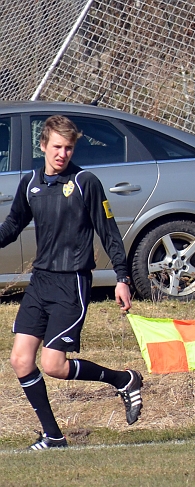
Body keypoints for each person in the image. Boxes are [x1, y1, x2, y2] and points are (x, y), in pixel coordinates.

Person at [0, 115, 144, 450]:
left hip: (72, 283)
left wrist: (122, 278)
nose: (62, 153)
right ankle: (53, 437)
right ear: (43, 146)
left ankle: (123, 380)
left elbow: (109, 233)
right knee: (20, 360)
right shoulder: (31, 183)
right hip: (41, 283)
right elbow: (12, 226)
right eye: (56, 147)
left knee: (53, 365)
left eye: (68, 147)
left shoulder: (85, 183)